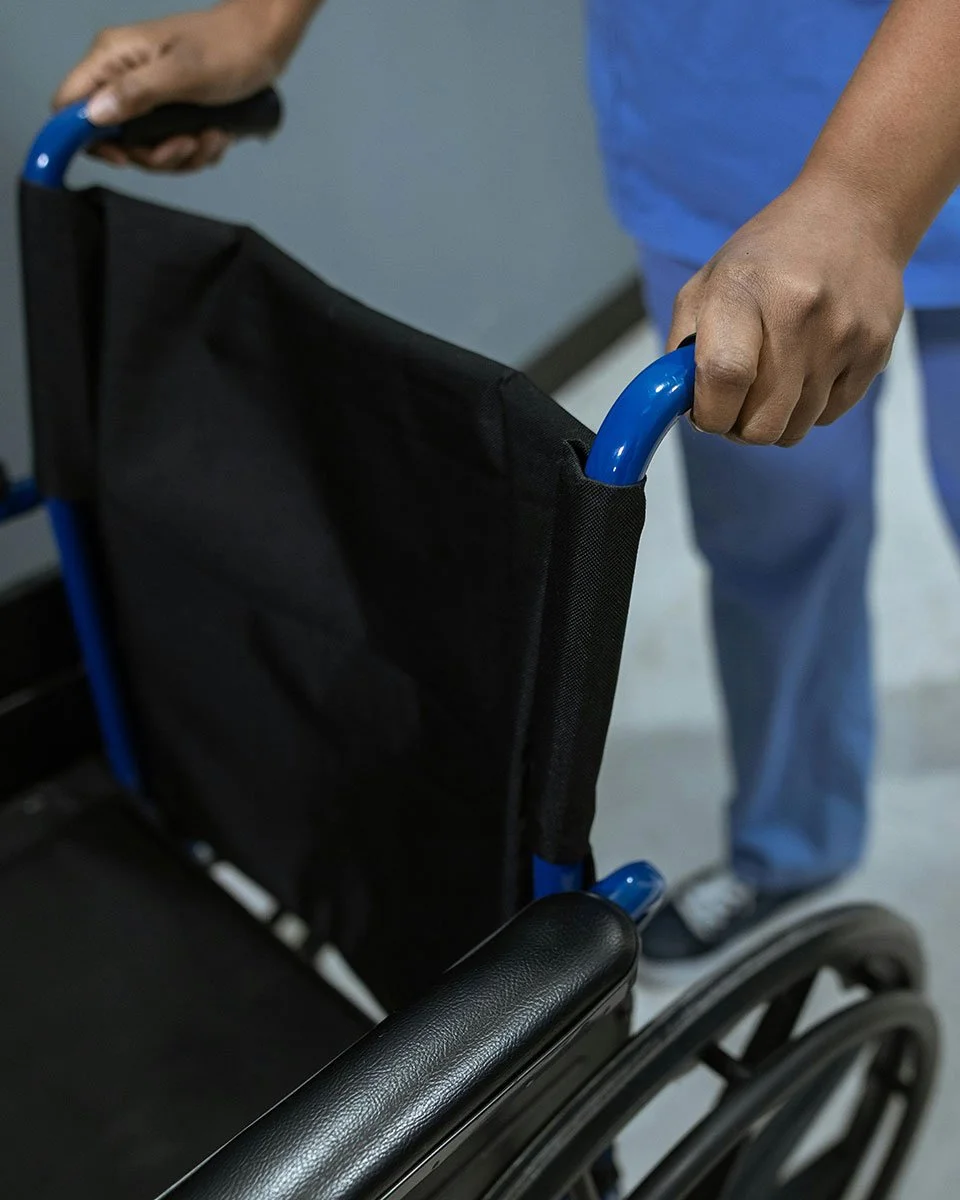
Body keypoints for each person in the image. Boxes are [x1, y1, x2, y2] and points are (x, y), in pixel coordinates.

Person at [54, 0, 960, 975]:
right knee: (773, 543)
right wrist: (259, 22)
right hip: (715, 146)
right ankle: (794, 840)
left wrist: (863, 194)